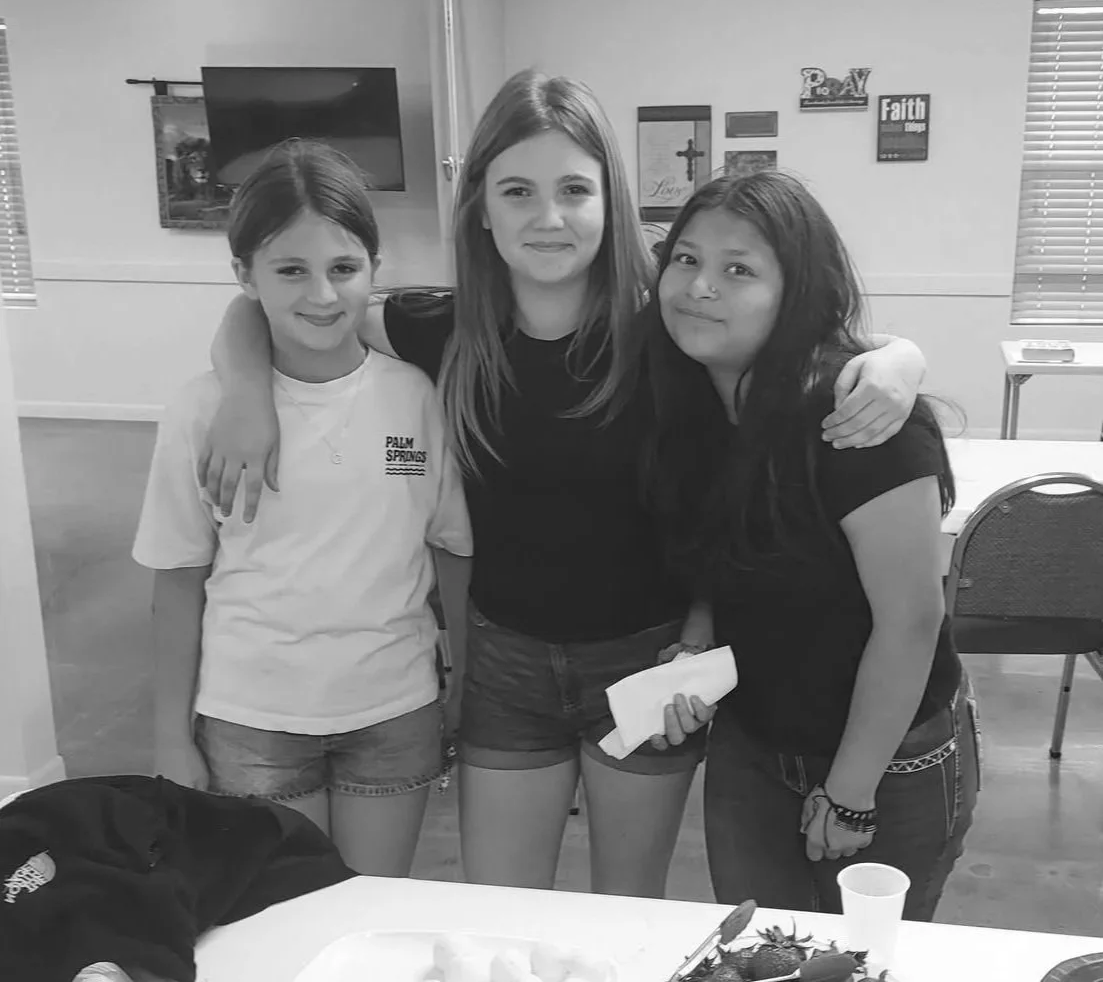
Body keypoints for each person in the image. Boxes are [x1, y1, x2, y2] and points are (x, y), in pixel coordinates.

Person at [197, 71, 927, 898]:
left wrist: (900, 361)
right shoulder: (441, 328)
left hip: (645, 656)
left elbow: (804, 343)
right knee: (501, 909)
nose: (547, 217)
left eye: (573, 189)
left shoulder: (668, 331)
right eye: (517, 190)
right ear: (479, 205)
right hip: (505, 667)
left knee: (625, 911)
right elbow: (276, 305)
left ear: (610, 202)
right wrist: (247, 391)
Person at [644, 169, 979, 919]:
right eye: (686, 259)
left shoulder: (855, 416)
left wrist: (852, 792)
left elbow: (910, 620)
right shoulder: (692, 401)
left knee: (860, 961)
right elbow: (717, 554)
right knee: (761, 954)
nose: (699, 286)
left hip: (888, 757)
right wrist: (695, 644)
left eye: (738, 269)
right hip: (753, 743)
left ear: (794, 289)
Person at [132, 141, 472, 878]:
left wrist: (464, 687)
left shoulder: (414, 394)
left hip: (393, 706)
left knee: (370, 916)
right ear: (244, 278)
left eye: (343, 268)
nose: (321, 294)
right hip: (250, 715)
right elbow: (177, 576)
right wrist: (169, 736)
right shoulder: (202, 410)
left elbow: (450, 547)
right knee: (282, 929)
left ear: (373, 271)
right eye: (290, 269)